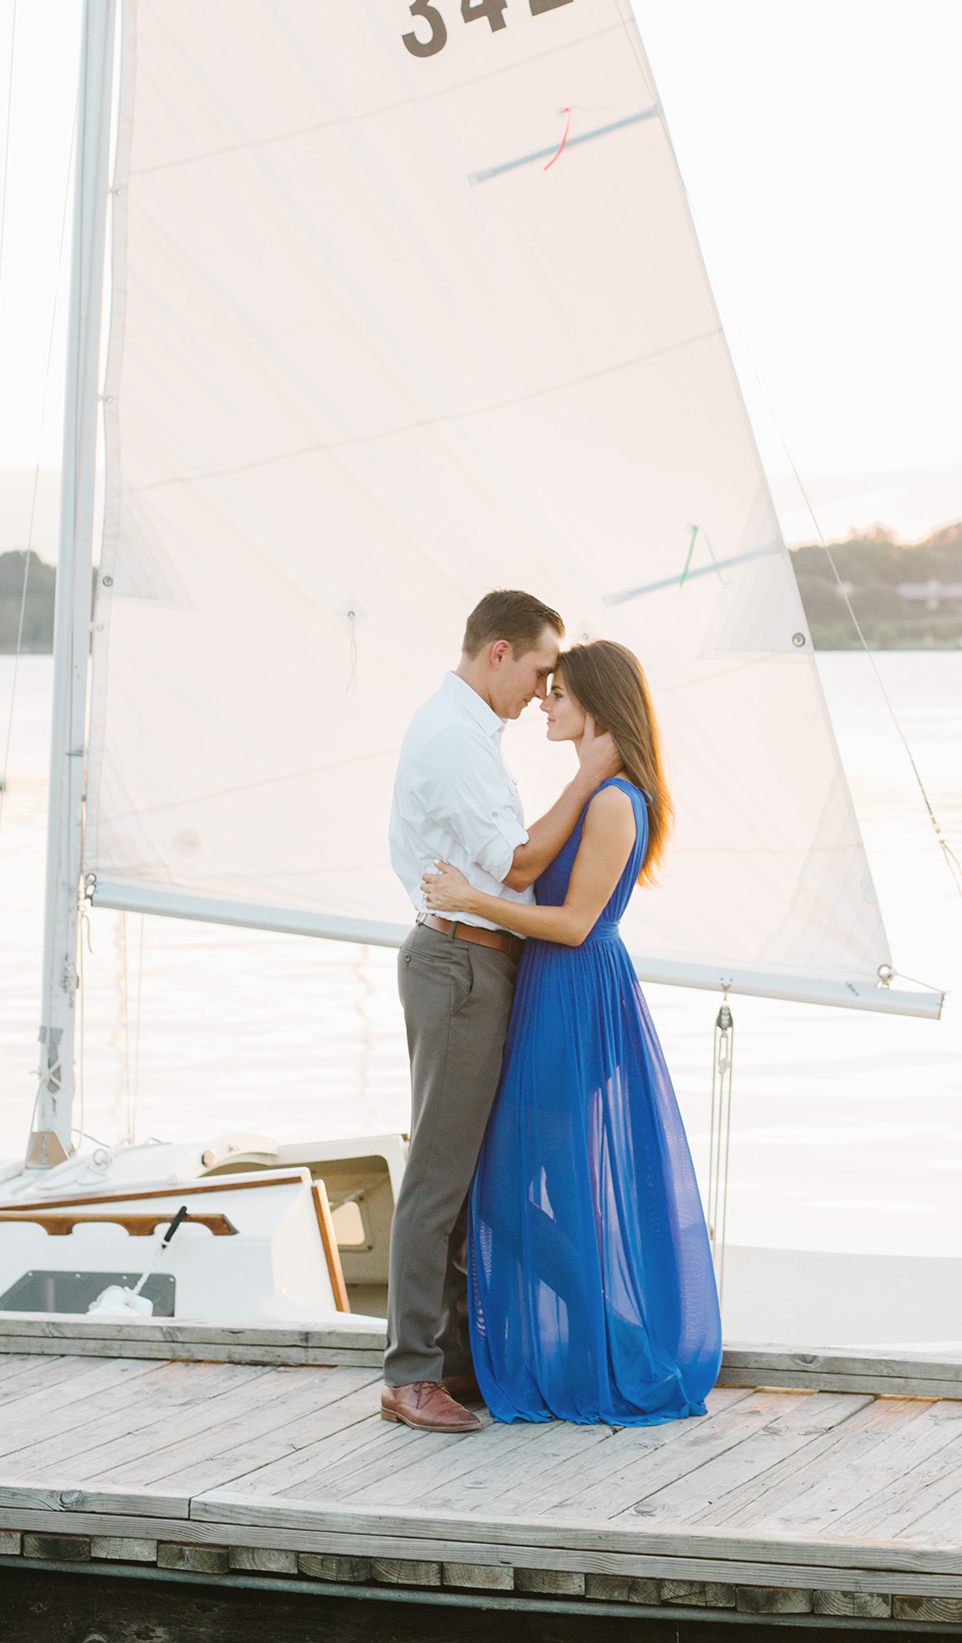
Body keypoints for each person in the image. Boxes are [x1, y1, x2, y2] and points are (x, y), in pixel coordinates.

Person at [419, 639, 721, 1425]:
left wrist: (470, 899)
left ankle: (613, 1339)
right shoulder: (594, 790)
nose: (545, 704)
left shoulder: (617, 799)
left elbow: (577, 922)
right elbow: (530, 874)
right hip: (550, 992)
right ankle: (600, 1335)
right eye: (545, 690)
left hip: (576, 996)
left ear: (595, 703)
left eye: (560, 694)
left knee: (528, 1192)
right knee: (518, 1190)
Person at [381, 590, 620, 1435]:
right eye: (541, 668)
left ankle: (453, 1360)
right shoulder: (454, 739)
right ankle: (411, 1375)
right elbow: (516, 867)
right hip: (458, 964)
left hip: (478, 964)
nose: (544, 688)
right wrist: (590, 774)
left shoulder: (473, 734)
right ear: (499, 653)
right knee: (439, 1177)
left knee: (475, 1174)